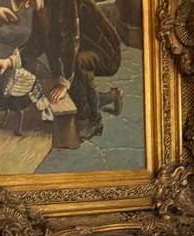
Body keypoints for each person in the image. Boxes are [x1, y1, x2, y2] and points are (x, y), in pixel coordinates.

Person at [22, 0, 122, 140]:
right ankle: (112, 96)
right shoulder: (41, 10)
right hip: (79, 50)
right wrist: (11, 60)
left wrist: (64, 83)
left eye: (28, 0)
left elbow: (71, 39)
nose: (26, 6)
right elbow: (36, 42)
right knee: (73, 89)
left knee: (77, 64)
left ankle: (94, 121)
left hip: (104, 51)